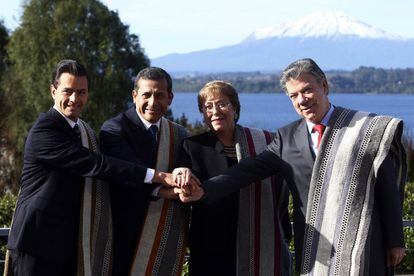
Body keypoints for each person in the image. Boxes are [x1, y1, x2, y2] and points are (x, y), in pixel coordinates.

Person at [177, 58, 407, 275]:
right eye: (293, 95)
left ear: (324, 86)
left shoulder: (364, 130)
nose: (302, 100)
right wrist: (204, 190)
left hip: (364, 241)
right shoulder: (286, 137)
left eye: (307, 90)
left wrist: (395, 240)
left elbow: (387, 188)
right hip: (315, 245)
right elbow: (246, 171)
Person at [4, 60, 176, 276]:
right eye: (68, 91)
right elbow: (96, 164)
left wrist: (159, 190)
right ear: (53, 91)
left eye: (81, 92)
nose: (75, 99)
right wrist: (159, 177)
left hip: (67, 245)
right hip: (37, 243)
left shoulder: (82, 131)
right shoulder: (45, 130)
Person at [177, 81, 292, 275]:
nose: (215, 111)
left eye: (222, 104)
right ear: (203, 114)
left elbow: (280, 190)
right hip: (210, 247)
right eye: (208, 106)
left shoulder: (265, 142)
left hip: (259, 240)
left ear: (235, 108)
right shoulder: (191, 147)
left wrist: (283, 233)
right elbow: (183, 189)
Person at [100, 67, 189, 276]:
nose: (152, 102)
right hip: (124, 237)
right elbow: (128, 170)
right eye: (146, 95)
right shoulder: (114, 129)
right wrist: (162, 189)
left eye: (159, 95)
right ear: (134, 96)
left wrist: (186, 175)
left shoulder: (179, 134)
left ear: (170, 98)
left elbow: (189, 169)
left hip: (165, 236)